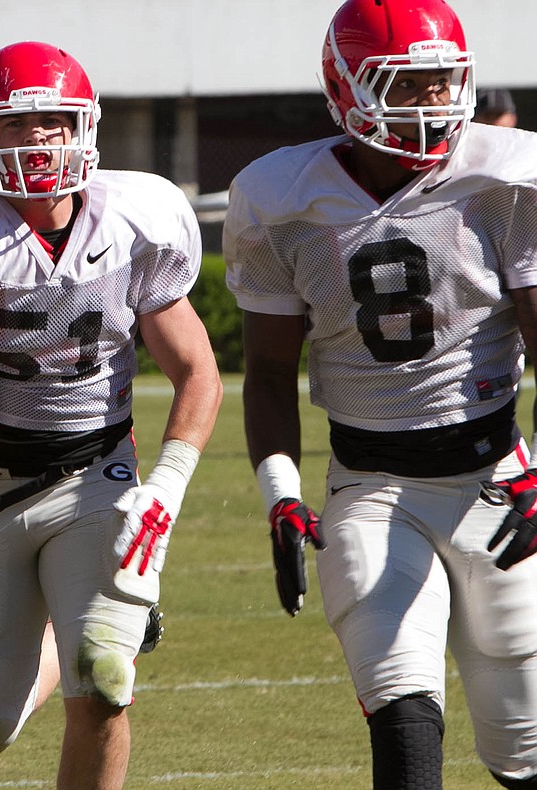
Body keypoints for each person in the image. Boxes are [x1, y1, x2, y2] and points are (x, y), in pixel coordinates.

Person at [0, 41, 222, 788]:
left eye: (55, 122)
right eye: (18, 126)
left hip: (100, 475)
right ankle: (73, 617)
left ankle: (99, 627)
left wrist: (168, 484)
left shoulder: (136, 217)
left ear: (84, 126)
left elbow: (196, 370)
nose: (40, 141)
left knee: (106, 685)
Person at [224, 0, 537, 787]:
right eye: (409, 84)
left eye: (443, 82)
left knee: (522, 752)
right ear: (347, 88)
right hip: (370, 488)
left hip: (497, 479)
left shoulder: (507, 175)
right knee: (403, 720)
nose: (433, 103)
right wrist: (281, 496)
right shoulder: (278, 195)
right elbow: (266, 374)